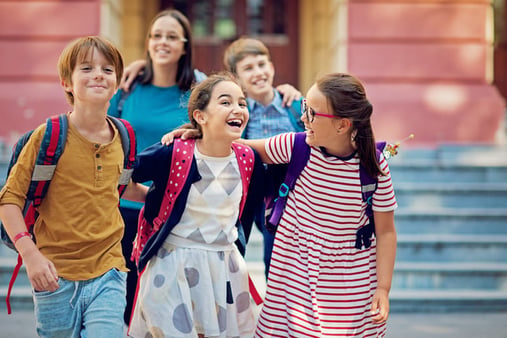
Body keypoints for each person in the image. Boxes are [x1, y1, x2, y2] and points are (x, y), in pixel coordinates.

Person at [163, 73, 398, 337]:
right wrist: (201, 132)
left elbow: (386, 231)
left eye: (311, 113)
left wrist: (383, 289)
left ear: (342, 125)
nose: (302, 118)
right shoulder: (295, 146)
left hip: (350, 286)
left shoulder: (373, 168)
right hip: (294, 276)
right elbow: (235, 146)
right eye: (303, 108)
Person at [0, 36, 147, 338]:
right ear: (66, 82)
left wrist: (178, 197)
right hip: (55, 275)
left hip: (109, 269)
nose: (98, 74)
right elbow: (9, 200)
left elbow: (123, 186)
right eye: (86, 68)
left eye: (107, 69)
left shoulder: (124, 136)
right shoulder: (49, 135)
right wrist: (30, 255)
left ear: (117, 82)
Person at [128, 72, 265, 338]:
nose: (237, 109)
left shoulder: (249, 160)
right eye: (225, 102)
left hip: (223, 267)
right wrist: (157, 197)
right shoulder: (173, 151)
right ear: (201, 116)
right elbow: (120, 178)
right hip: (172, 264)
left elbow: (247, 212)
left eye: (242, 103)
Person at [223, 37, 305, 279]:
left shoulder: (296, 107)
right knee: (233, 254)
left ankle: (280, 309)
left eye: (261, 64)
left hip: (288, 195)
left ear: (272, 66)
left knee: (277, 257)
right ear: (236, 78)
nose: (258, 72)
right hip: (249, 192)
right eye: (248, 68)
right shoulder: (237, 112)